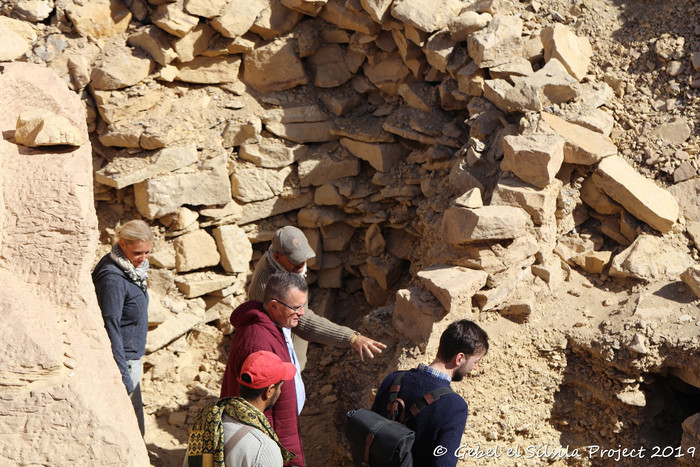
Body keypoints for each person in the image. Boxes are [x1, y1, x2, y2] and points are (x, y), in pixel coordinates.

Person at [248, 225, 386, 370]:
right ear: (277, 257)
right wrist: (351, 337)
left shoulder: (284, 263)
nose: (302, 263)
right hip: (280, 362)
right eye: (296, 259)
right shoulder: (266, 287)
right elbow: (303, 322)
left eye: (304, 257)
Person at [371, 319, 489, 467]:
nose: (475, 367)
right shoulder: (454, 407)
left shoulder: (394, 379)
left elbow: (370, 432)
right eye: (476, 361)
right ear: (459, 358)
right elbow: (444, 463)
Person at [221, 272, 310, 466]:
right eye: (296, 307)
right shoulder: (256, 343)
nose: (302, 312)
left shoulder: (276, 325)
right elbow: (261, 410)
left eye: (303, 305)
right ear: (274, 306)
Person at [92, 219, 154, 437]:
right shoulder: (113, 279)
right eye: (138, 253)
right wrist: (123, 376)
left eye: (147, 252)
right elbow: (110, 327)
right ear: (122, 244)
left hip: (131, 355)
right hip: (124, 359)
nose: (143, 259)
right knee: (132, 423)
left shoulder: (130, 269)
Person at [185, 351, 297, 467]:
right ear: (270, 391)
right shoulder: (264, 449)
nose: (280, 392)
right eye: (280, 387)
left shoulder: (206, 421)